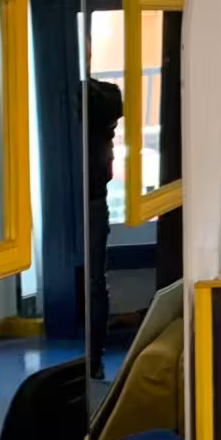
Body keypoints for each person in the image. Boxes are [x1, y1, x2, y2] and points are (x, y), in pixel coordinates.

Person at [84, 76, 123, 381]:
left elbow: (112, 101)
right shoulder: (84, 96)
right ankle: (92, 361)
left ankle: (94, 360)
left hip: (94, 197)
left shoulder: (98, 97)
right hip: (81, 198)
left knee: (95, 284)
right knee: (94, 283)